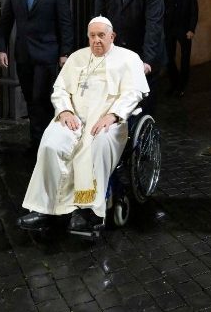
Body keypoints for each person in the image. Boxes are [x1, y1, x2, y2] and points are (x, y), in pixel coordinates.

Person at [17, 17, 150, 235]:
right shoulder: (77, 58)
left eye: (101, 36)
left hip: (108, 122)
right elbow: (59, 89)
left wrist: (114, 115)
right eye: (92, 36)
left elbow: (134, 92)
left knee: (96, 145)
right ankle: (45, 209)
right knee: (51, 144)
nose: (96, 41)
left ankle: (89, 211)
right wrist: (65, 110)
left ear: (112, 36)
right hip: (75, 119)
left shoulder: (128, 59)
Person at [0, 0, 74, 150]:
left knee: (44, 99)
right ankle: (36, 140)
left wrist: (65, 53)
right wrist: (1, 48)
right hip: (23, 56)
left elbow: (65, 24)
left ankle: (47, 142)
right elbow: (5, 22)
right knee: (31, 99)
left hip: (47, 56)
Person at [93, 0, 165, 113]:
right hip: (116, 55)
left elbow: (153, 23)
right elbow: (99, 19)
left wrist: (147, 60)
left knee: (142, 109)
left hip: (144, 53)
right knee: (116, 108)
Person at [163, 0, 199, 97]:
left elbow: (194, 12)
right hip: (170, 30)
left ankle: (182, 87)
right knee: (169, 58)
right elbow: (164, 11)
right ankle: (174, 83)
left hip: (185, 31)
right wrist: (163, 29)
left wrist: (191, 29)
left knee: (185, 59)